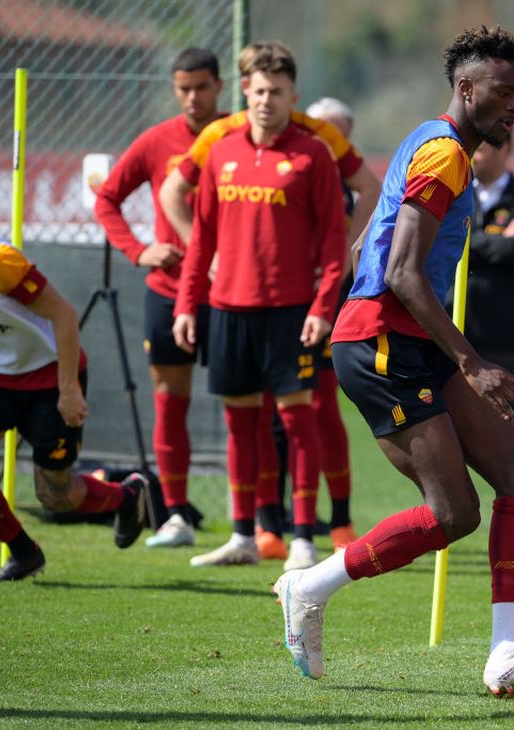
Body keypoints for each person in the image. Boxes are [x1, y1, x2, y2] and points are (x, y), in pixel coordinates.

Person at [272, 25, 514, 698]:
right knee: (453, 513)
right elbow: (400, 272)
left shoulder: (429, 140)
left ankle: (510, 653)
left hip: (397, 340)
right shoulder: (446, 155)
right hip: (386, 344)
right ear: (467, 88)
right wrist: (471, 362)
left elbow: (369, 246)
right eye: (504, 93)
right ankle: (309, 587)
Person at [160, 53, 381, 568]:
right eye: (258, 91)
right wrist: (188, 303)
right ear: (244, 92)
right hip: (228, 310)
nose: (266, 101)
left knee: (298, 422)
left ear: (292, 98)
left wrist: (324, 307)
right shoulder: (221, 151)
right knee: (240, 425)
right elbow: (202, 241)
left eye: (276, 92)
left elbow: (332, 244)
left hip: (291, 312)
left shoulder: (313, 155)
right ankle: (243, 535)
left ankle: (302, 536)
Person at [0, 175, 147, 581]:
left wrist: (68, 389)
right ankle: (23, 553)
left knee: (56, 496)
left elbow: (64, 315)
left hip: (50, 379)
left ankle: (128, 497)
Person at [93, 47, 225, 549]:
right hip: (169, 295)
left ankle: (263, 523)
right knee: (170, 404)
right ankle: (175, 518)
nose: (193, 98)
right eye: (183, 88)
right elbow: (107, 199)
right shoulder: (156, 141)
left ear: (218, 87)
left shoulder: (239, 133)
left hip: (233, 296)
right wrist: (139, 250)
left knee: (253, 408)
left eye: (202, 87)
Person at [447, 134, 514, 450]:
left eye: (482, 148)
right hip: (455, 336)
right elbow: (445, 241)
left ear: (504, 149)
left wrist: (469, 239)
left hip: (505, 338)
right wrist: (493, 239)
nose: (473, 155)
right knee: (450, 436)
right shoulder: (456, 195)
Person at [302, 96, 360, 551]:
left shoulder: (356, 192)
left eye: (337, 132)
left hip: (334, 302)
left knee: (322, 408)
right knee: (277, 416)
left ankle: (340, 518)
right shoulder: (295, 171)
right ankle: (279, 520)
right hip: (281, 302)